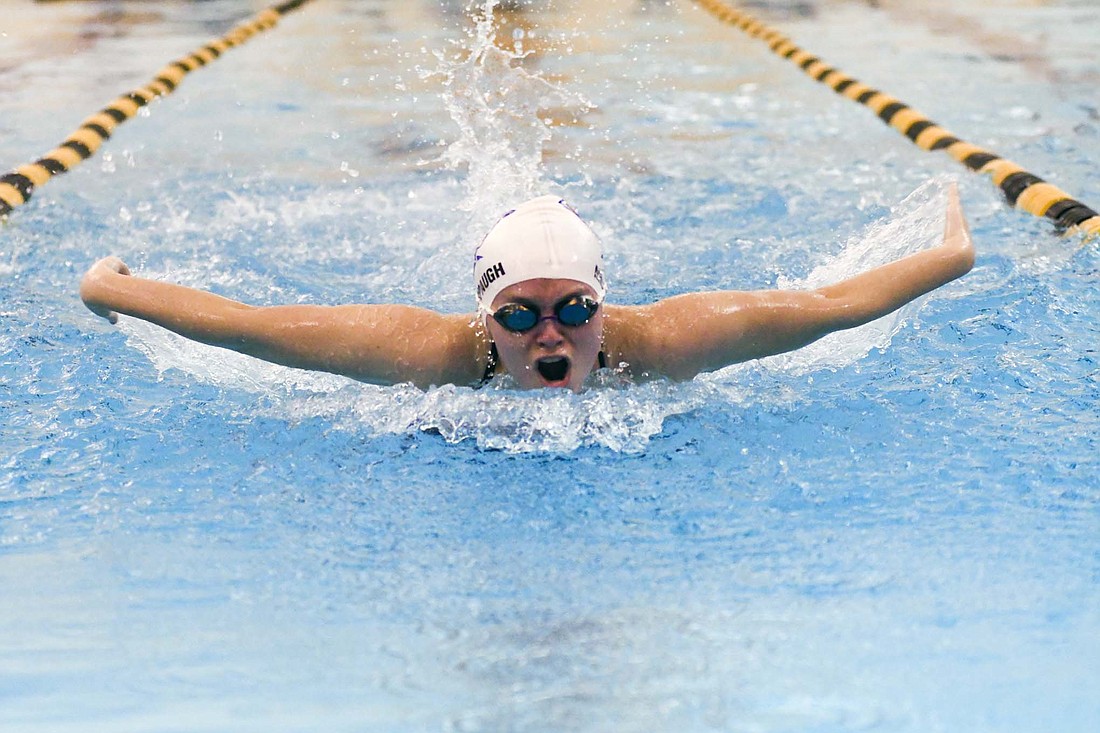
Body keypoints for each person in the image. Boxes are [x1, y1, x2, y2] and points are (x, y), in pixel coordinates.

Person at [80, 183, 975, 391]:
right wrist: (111, 286)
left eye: (576, 308)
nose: (552, 336)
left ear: (603, 305)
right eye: (519, 315)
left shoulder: (662, 341)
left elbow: (830, 309)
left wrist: (950, 254)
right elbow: (250, 327)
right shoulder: (422, 353)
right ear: (486, 317)